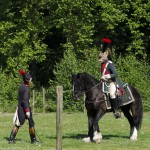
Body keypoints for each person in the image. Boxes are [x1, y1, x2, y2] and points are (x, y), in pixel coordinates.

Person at [8, 70, 39, 144]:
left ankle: (33, 139)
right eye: (31, 79)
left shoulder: (22, 86)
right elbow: (24, 100)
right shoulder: (26, 88)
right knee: (18, 124)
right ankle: (11, 139)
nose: (31, 80)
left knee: (30, 123)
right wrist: (27, 110)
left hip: (22, 107)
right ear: (28, 80)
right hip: (23, 108)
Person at [99, 37, 121, 119]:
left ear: (105, 57)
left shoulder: (110, 64)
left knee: (112, 94)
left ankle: (116, 111)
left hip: (111, 83)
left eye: (100, 58)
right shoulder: (102, 65)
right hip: (103, 83)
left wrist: (107, 76)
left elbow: (115, 74)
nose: (99, 60)